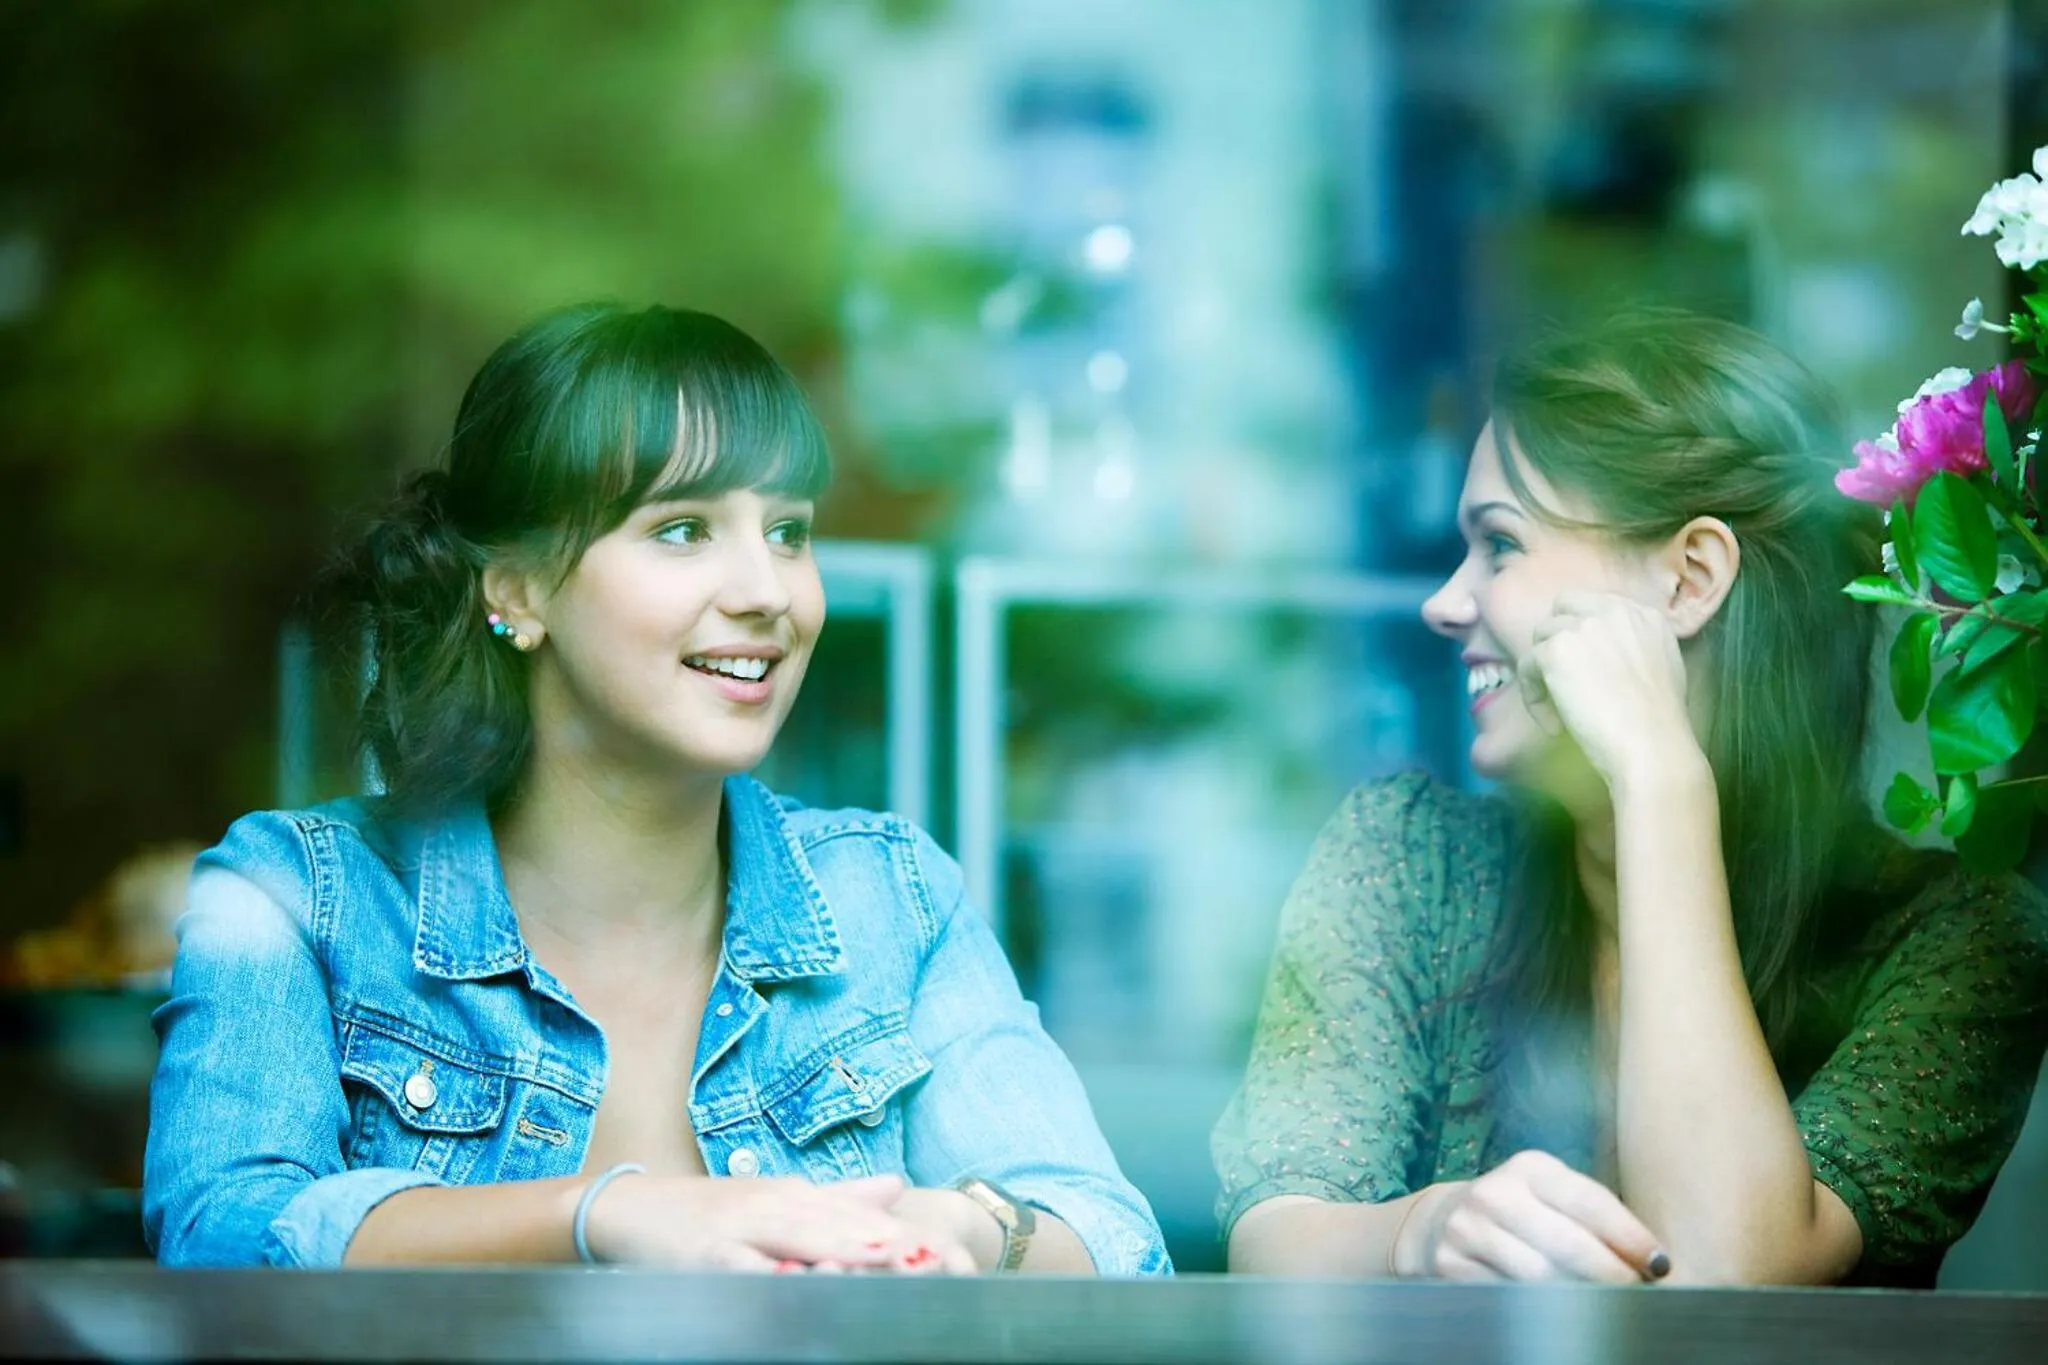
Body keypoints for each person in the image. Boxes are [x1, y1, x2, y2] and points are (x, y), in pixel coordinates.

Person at [145, 302, 1168, 1276]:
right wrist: (607, 1215)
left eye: (788, 531)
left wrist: (964, 1226)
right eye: (682, 529)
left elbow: (1114, 1240)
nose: (766, 591)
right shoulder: (299, 896)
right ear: (518, 591)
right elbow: (220, 1232)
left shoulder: (888, 895)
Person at [1214, 310, 2048, 1288]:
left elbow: (1723, 1271)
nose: (1444, 603)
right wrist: (1419, 1232)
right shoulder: (1408, 861)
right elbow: (1274, 1235)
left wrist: (1657, 781)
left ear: (1689, 580)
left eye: (1500, 545)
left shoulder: (1959, 942)